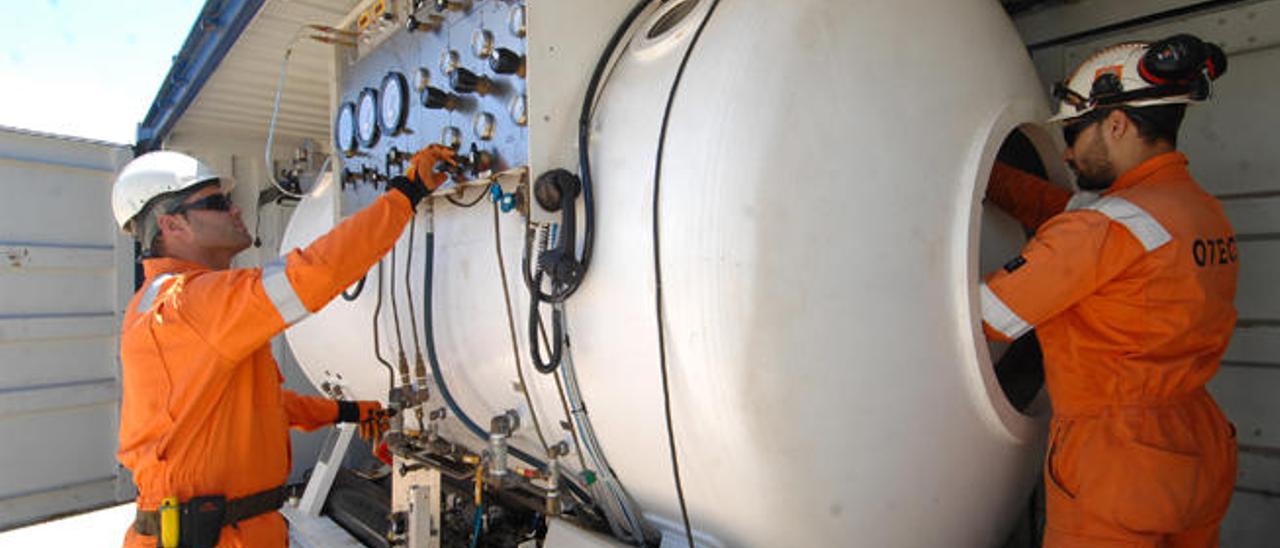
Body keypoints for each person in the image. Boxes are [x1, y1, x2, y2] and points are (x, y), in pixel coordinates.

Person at [112, 145, 455, 547]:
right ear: (172, 226)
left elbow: (260, 406)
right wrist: (406, 192)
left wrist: (348, 410)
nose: (236, 210)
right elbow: (314, 273)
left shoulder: (167, 303)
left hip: (225, 530)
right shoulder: (189, 302)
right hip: (214, 537)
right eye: (218, 202)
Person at [980, 35, 1238, 546]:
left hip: (1118, 462)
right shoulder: (1197, 211)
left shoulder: (1105, 229)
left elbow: (990, 316)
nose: (1069, 153)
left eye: (1075, 133)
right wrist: (985, 179)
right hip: (1199, 445)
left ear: (1116, 124)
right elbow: (1066, 214)